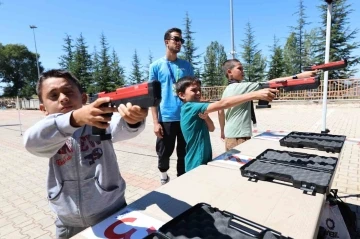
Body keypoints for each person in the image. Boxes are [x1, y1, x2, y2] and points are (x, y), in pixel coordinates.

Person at [23, 69, 148, 238]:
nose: (63, 98)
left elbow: (122, 128)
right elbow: (31, 142)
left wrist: (133, 120)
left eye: (68, 92)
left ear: (83, 98)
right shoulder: (48, 131)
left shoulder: (99, 120)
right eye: (53, 96)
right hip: (68, 220)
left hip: (111, 210)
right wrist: (73, 119)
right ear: (43, 108)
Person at [176, 76, 278, 172]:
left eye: (199, 90)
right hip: (195, 161)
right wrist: (254, 94)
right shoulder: (189, 107)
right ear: (182, 95)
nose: (198, 93)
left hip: (204, 158)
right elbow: (222, 104)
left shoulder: (196, 110)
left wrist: (206, 117)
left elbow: (211, 128)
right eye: (194, 90)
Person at [218, 59, 318, 151]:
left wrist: (222, 130)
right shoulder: (240, 87)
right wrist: (301, 76)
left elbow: (220, 111)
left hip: (230, 136)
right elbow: (272, 82)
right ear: (229, 72)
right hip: (239, 137)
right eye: (239, 68)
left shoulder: (227, 90)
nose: (243, 71)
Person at [149, 27, 194, 184]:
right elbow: (152, 97)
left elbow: (192, 91)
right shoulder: (155, 66)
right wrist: (155, 122)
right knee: (164, 152)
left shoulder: (186, 66)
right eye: (176, 39)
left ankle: (182, 180)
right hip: (166, 117)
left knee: (184, 152)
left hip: (185, 116)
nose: (179, 42)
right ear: (166, 42)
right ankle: (163, 177)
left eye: (181, 40)